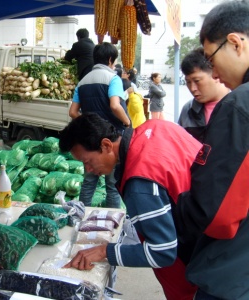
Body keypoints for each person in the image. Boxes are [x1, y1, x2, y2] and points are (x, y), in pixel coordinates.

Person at [59, 112, 201, 300]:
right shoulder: (156, 127)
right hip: (218, 239)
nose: (88, 170)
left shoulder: (139, 183)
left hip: (195, 271)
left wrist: (105, 251)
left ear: (106, 145)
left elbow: (163, 252)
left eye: (88, 162)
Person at [174, 1, 249, 299]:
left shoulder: (238, 106)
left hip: (232, 270)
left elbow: (215, 212)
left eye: (211, 59)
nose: (215, 74)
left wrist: (179, 207)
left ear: (235, 43)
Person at [69, 42, 130, 208]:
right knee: (112, 184)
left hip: (90, 141)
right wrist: (127, 122)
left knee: (89, 182)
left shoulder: (82, 82)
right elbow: (115, 105)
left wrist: (88, 123)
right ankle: (112, 222)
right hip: (111, 142)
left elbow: (73, 112)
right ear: (110, 59)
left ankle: (80, 215)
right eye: (115, 61)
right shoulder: (113, 78)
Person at [178, 47, 229, 141]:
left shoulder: (238, 106)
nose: (192, 88)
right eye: (188, 82)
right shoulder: (188, 109)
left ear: (215, 74)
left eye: (197, 81)